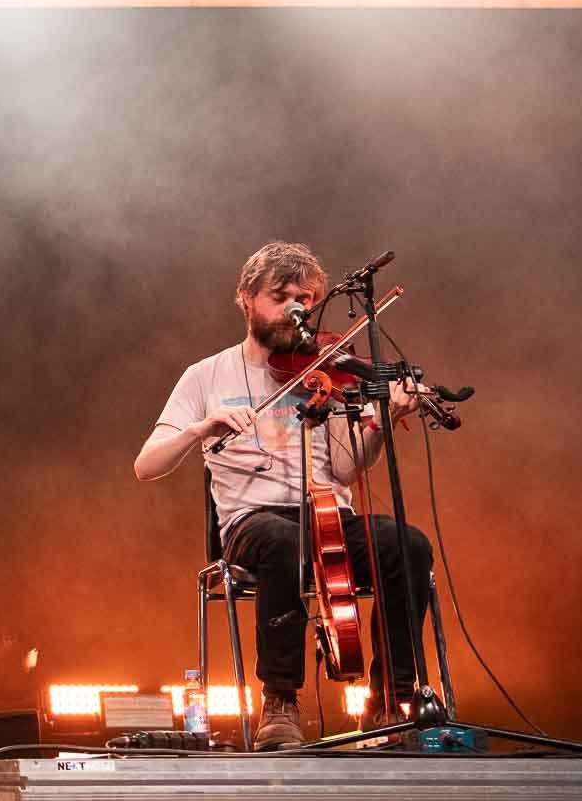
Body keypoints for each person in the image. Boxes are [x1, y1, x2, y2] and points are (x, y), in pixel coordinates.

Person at [134, 241, 433, 749]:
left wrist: (383, 423)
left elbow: (341, 466)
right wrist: (199, 428)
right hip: (253, 522)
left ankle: (390, 704)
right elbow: (146, 466)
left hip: (327, 513)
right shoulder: (206, 375)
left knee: (409, 544)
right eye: (281, 297)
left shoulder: (324, 367)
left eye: (306, 298)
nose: (296, 310)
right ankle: (280, 703)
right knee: (280, 541)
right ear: (245, 300)